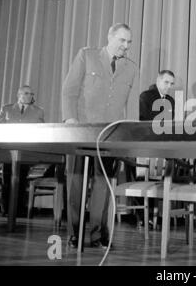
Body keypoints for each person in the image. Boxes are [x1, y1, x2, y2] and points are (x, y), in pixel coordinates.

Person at [61, 23, 138, 249]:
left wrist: (129, 136)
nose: (126, 46)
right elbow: (70, 90)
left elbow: (131, 107)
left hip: (110, 134)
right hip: (81, 130)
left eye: (129, 42)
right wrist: (70, 120)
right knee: (76, 182)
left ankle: (97, 236)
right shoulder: (87, 56)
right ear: (110, 37)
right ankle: (75, 234)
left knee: (102, 183)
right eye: (123, 40)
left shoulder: (131, 68)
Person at [0, 85, 45, 216]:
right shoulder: (6, 109)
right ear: (19, 95)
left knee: (21, 180)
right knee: (7, 179)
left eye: (31, 94)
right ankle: (6, 209)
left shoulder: (38, 111)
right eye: (26, 93)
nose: (30, 96)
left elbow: (41, 130)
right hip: (8, 150)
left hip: (26, 150)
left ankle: (18, 210)